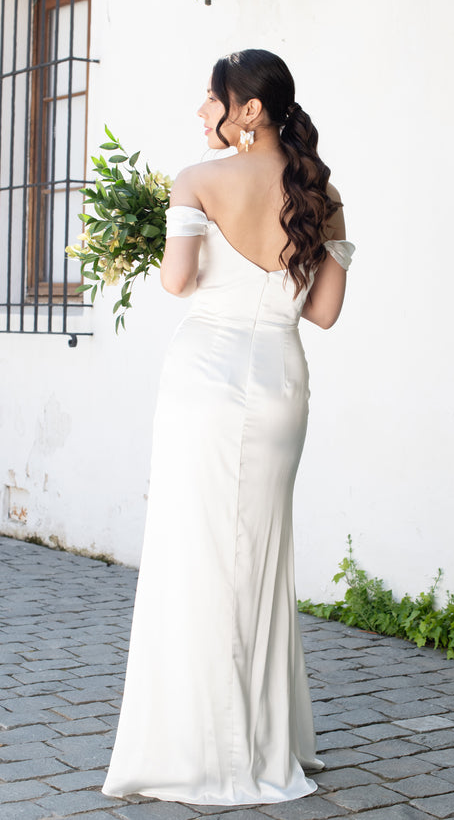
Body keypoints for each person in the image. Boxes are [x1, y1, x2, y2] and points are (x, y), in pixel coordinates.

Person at [102, 49, 354, 806]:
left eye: (210, 99)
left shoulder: (196, 180)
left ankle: (199, 747)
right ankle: (269, 742)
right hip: (280, 384)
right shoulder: (323, 192)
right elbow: (324, 312)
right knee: (263, 562)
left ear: (247, 109)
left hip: (205, 381)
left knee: (194, 558)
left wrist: (161, 244)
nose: (200, 112)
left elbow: (178, 282)